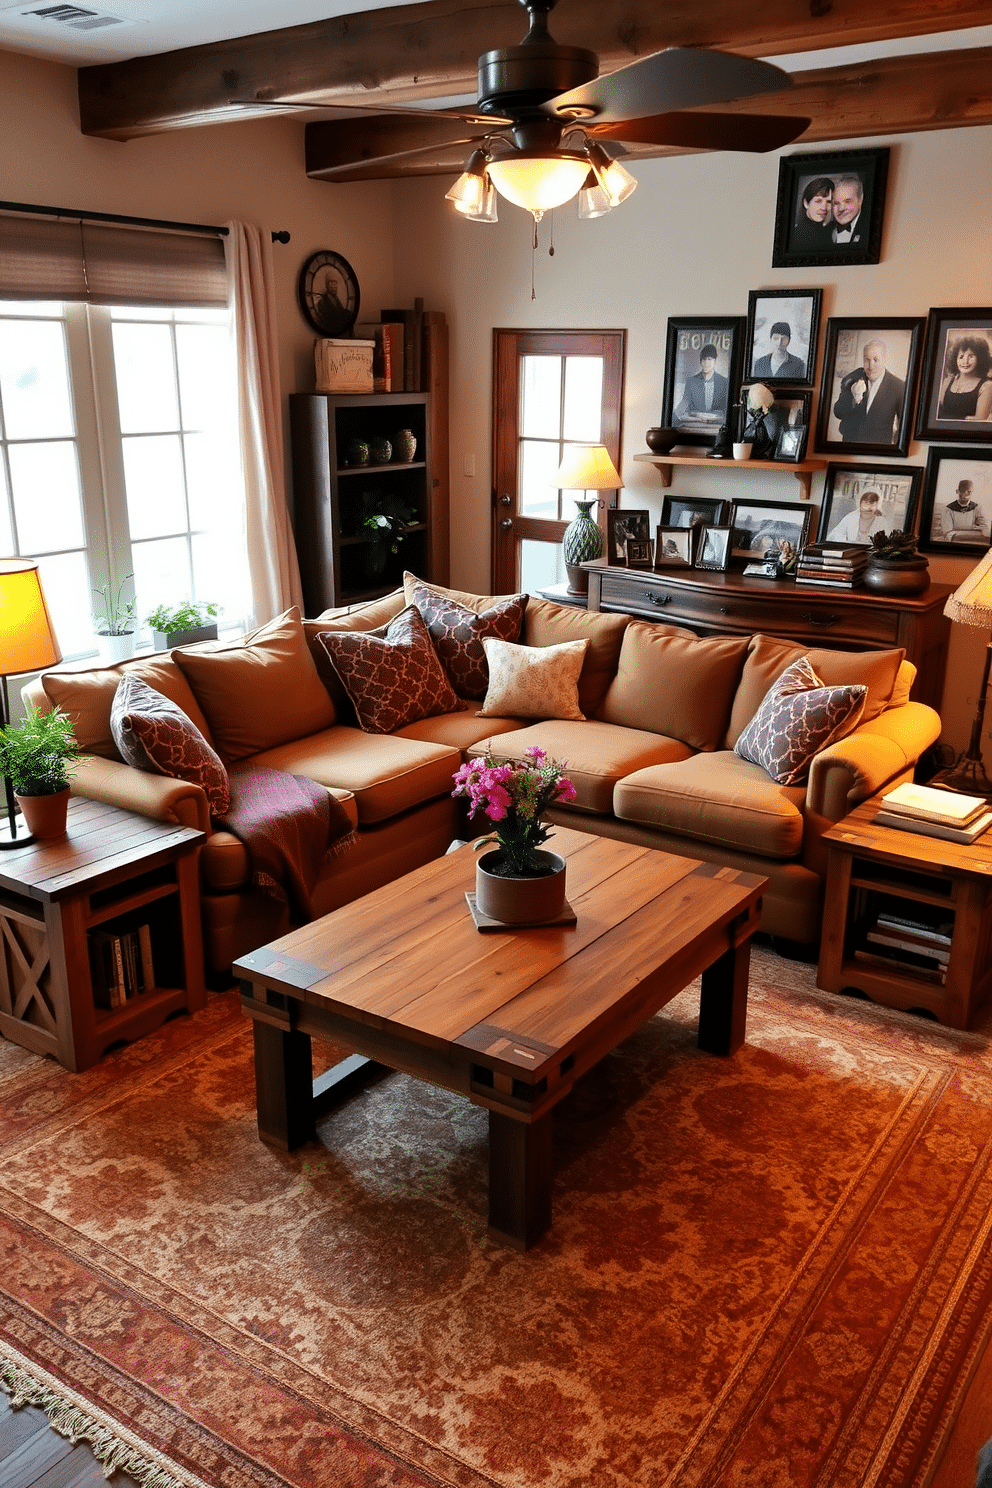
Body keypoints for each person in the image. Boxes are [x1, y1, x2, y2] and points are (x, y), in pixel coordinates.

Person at [832, 339, 905, 445]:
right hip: (849, 446)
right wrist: (854, 398)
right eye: (867, 360)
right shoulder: (852, 378)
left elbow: (903, 426)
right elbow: (838, 412)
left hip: (879, 449)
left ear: (884, 360)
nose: (871, 366)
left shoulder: (899, 386)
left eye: (876, 360)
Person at [937, 335, 992, 422]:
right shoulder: (947, 382)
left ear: (980, 359)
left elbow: (979, 422)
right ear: (955, 359)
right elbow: (936, 414)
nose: (965, 361)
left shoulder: (986, 386)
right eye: (961, 356)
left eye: (971, 356)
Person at [673, 344, 729, 425]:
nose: (706, 363)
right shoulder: (692, 381)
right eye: (704, 359)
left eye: (709, 359)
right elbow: (684, 403)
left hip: (717, 427)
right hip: (696, 425)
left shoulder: (724, 382)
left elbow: (726, 409)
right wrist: (672, 420)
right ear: (700, 362)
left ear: (715, 361)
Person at [792, 176, 834, 252]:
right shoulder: (796, 236)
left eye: (828, 202)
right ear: (806, 203)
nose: (824, 208)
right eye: (818, 201)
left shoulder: (826, 231)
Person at [831, 175, 865, 244]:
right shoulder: (826, 231)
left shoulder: (867, 228)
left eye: (847, 201)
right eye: (836, 203)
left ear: (860, 200)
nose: (841, 209)